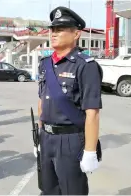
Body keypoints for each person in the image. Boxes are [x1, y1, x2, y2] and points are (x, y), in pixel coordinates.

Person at [37, 6, 102, 195]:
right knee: (48, 190)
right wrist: (40, 133)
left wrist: (90, 151)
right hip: (46, 137)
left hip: (70, 140)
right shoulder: (45, 64)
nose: (54, 34)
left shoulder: (85, 65)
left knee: (72, 191)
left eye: (60, 29)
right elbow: (42, 99)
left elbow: (92, 113)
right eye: (53, 30)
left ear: (76, 34)